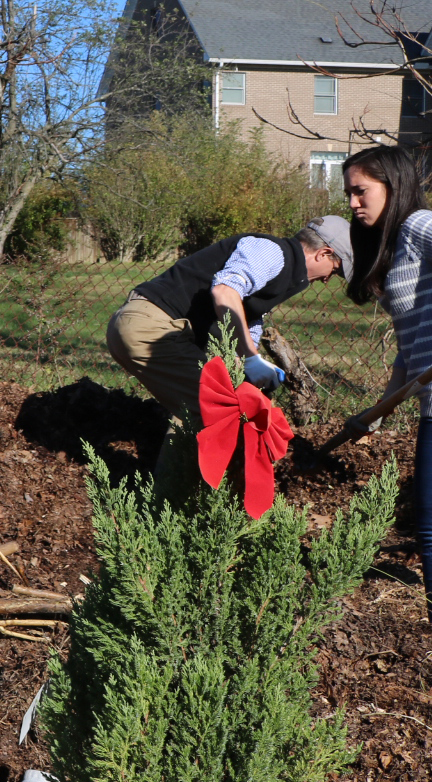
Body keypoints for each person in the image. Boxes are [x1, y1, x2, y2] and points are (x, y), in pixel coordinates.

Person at [105, 215, 354, 417]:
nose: (327, 279)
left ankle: (176, 477)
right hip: (152, 328)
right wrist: (251, 358)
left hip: (154, 328)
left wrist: (245, 372)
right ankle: (198, 478)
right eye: (335, 270)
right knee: (227, 412)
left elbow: (247, 321)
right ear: (323, 253)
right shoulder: (272, 252)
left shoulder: (284, 274)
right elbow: (225, 292)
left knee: (198, 413)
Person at [340, 143, 432, 624]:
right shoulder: (398, 244)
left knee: (430, 522)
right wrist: (381, 408)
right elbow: (409, 343)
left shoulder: (418, 226)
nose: (353, 203)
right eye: (349, 193)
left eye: (361, 191)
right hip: (428, 400)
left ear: (392, 188)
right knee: (428, 521)